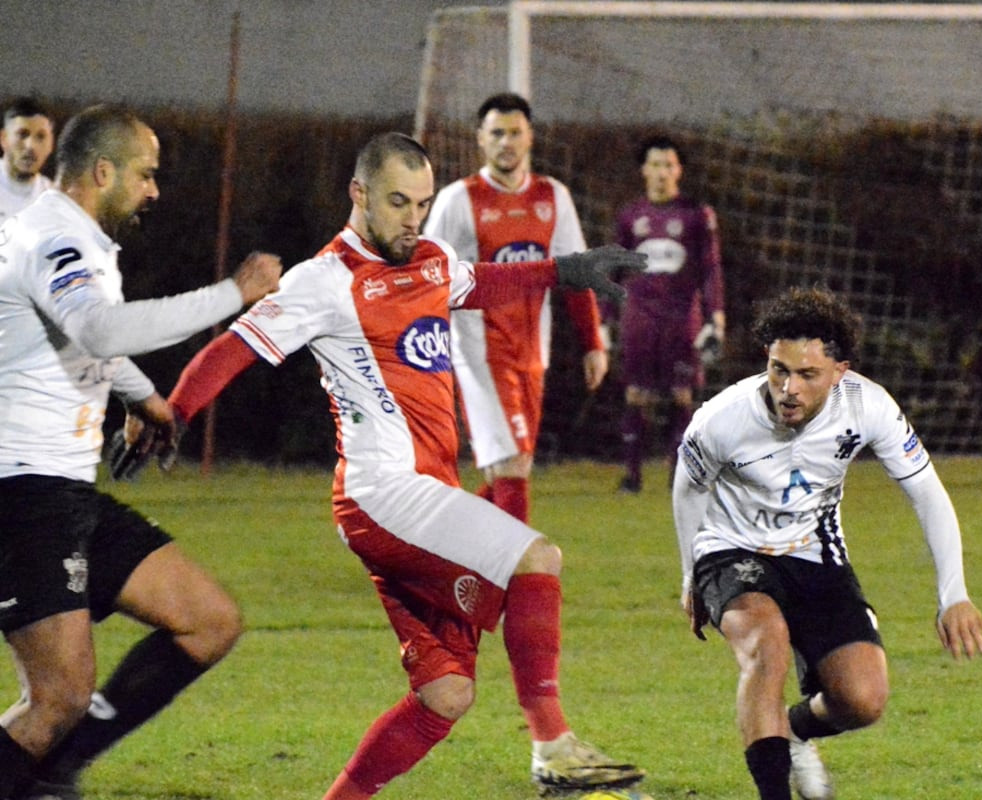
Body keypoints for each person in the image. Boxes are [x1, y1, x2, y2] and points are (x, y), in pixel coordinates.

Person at [164, 132, 646, 799]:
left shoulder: (431, 258)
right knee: (538, 558)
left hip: (415, 500)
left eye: (421, 202)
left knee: (446, 694)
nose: (412, 217)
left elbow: (487, 283)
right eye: (397, 202)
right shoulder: (324, 281)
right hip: (384, 495)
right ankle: (552, 744)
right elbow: (236, 348)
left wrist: (566, 271)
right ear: (358, 194)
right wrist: (175, 410)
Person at [0, 104, 282, 800]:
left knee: (207, 620)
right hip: (21, 495)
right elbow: (96, 327)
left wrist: (140, 395)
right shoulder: (51, 238)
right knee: (57, 696)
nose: (155, 191)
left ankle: (51, 771)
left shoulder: (75, 236)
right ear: (103, 171)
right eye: (146, 175)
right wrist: (232, 295)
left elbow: (71, 339)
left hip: (63, 492)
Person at [672, 286, 982, 800]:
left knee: (862, 700)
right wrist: (691, 574)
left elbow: (927, 493)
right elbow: (687, 489)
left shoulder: (868, 407)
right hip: (731, 550)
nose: (788, 388)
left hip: (814, 551)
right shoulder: (722, 418)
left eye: (807, 374)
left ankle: (796, 732)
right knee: (766, 645)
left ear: (839, 371)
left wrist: (952, 593)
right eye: (779, 369)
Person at [423, 92, 607, 523]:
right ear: (480, 141)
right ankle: (517, 576)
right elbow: (425, 277)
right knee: (513, 468)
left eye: (515, 133)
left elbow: (576, 274)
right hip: (479, 355)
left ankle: (448, 544)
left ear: (530, 138)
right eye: (497, 133)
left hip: (531, 355)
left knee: (509, 466)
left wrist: (593, 343)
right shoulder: (457, 200)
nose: (506, 142)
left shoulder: (552, 196)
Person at [611, 135, 724, 493]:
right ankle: (632, 476)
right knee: (637, 394)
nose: (662, 173)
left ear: (679, 171)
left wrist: (715, 316)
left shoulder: (696, 215)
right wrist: (602, 317)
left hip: (681, 318)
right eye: (656, 165)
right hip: (640, 319)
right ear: (644, 170)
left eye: (669, 165)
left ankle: (680, 476)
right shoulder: (630, 216)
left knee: (681, 395)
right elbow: (613, 269)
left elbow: (710, 268)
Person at [0, 97, 55, 223]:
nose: (31, 146)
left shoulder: (54, 202)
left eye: (41, 137)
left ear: (51, 144)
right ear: (3, 139)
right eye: (22, 134)